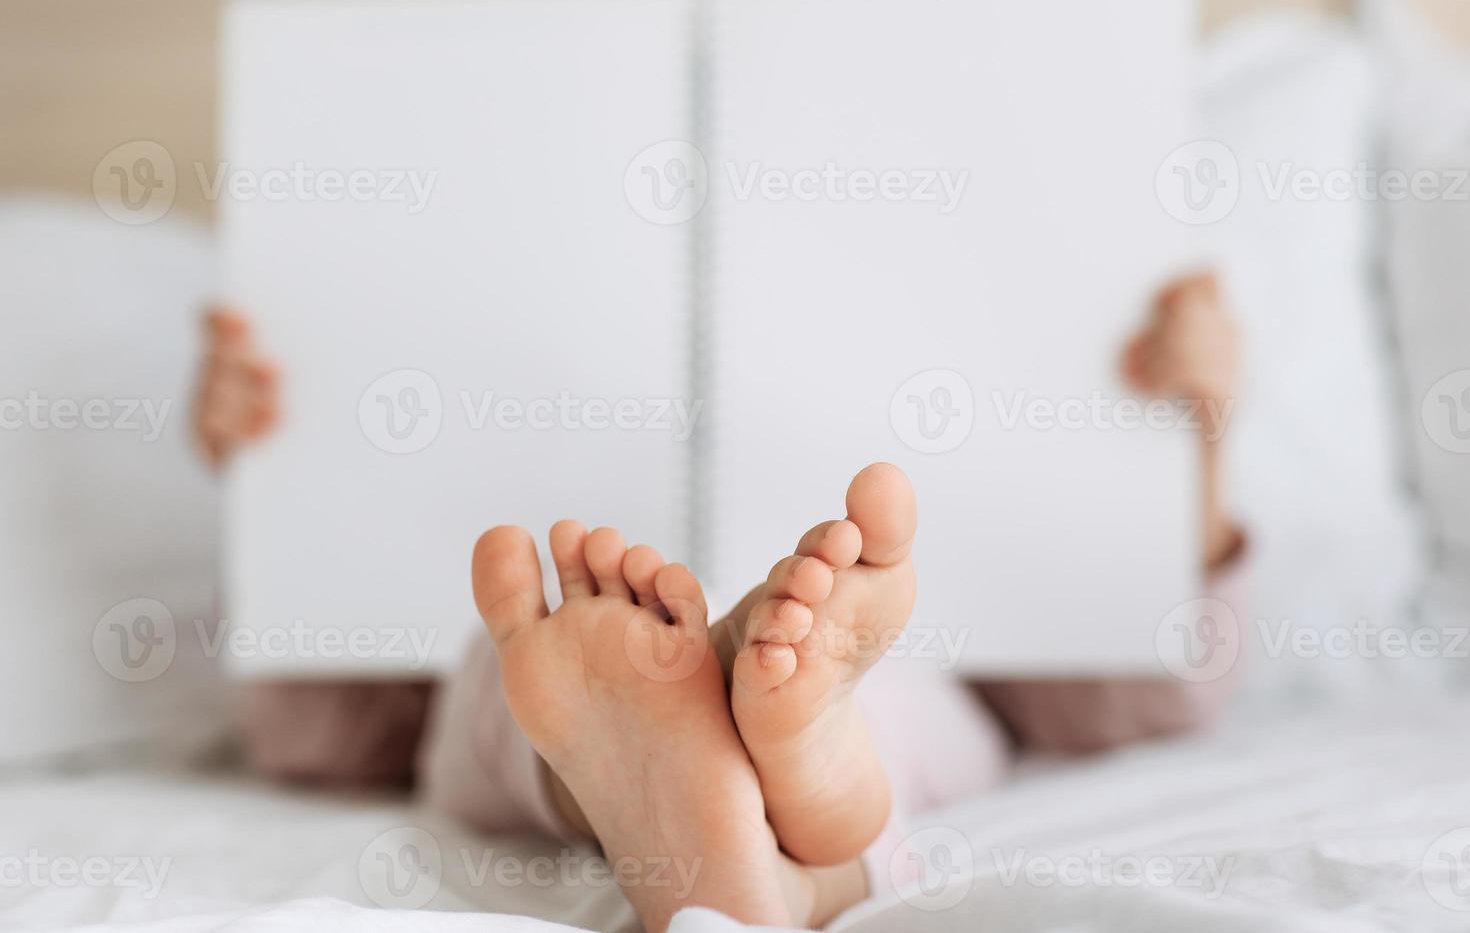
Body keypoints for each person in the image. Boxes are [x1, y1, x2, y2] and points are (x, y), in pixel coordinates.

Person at [194, 272, 1245, 929]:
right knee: (828, 681)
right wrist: (281, 483)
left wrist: (1178, 453)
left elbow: (1150, 693)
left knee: (522, 662)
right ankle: (798, 847)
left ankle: (685, 775)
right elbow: (315, 736)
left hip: (887, 656)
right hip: (872, 680)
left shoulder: (1010, 554)